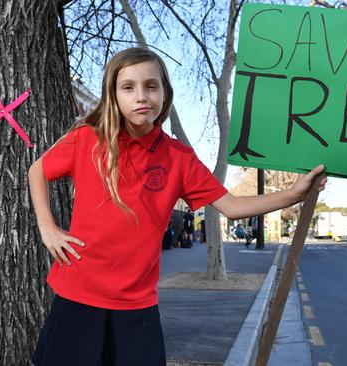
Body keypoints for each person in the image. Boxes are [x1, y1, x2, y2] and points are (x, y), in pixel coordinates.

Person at [27, 47, 327, 366]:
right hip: (77, 297)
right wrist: (47, 228)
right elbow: (38, 171)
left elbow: (231, 205)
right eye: (128, 87)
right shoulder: (88, 139)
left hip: (136, 306)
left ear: (165, 92)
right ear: (112, 95)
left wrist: (293, 195)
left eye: (151, 86)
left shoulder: (178, 157)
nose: (141, 95)